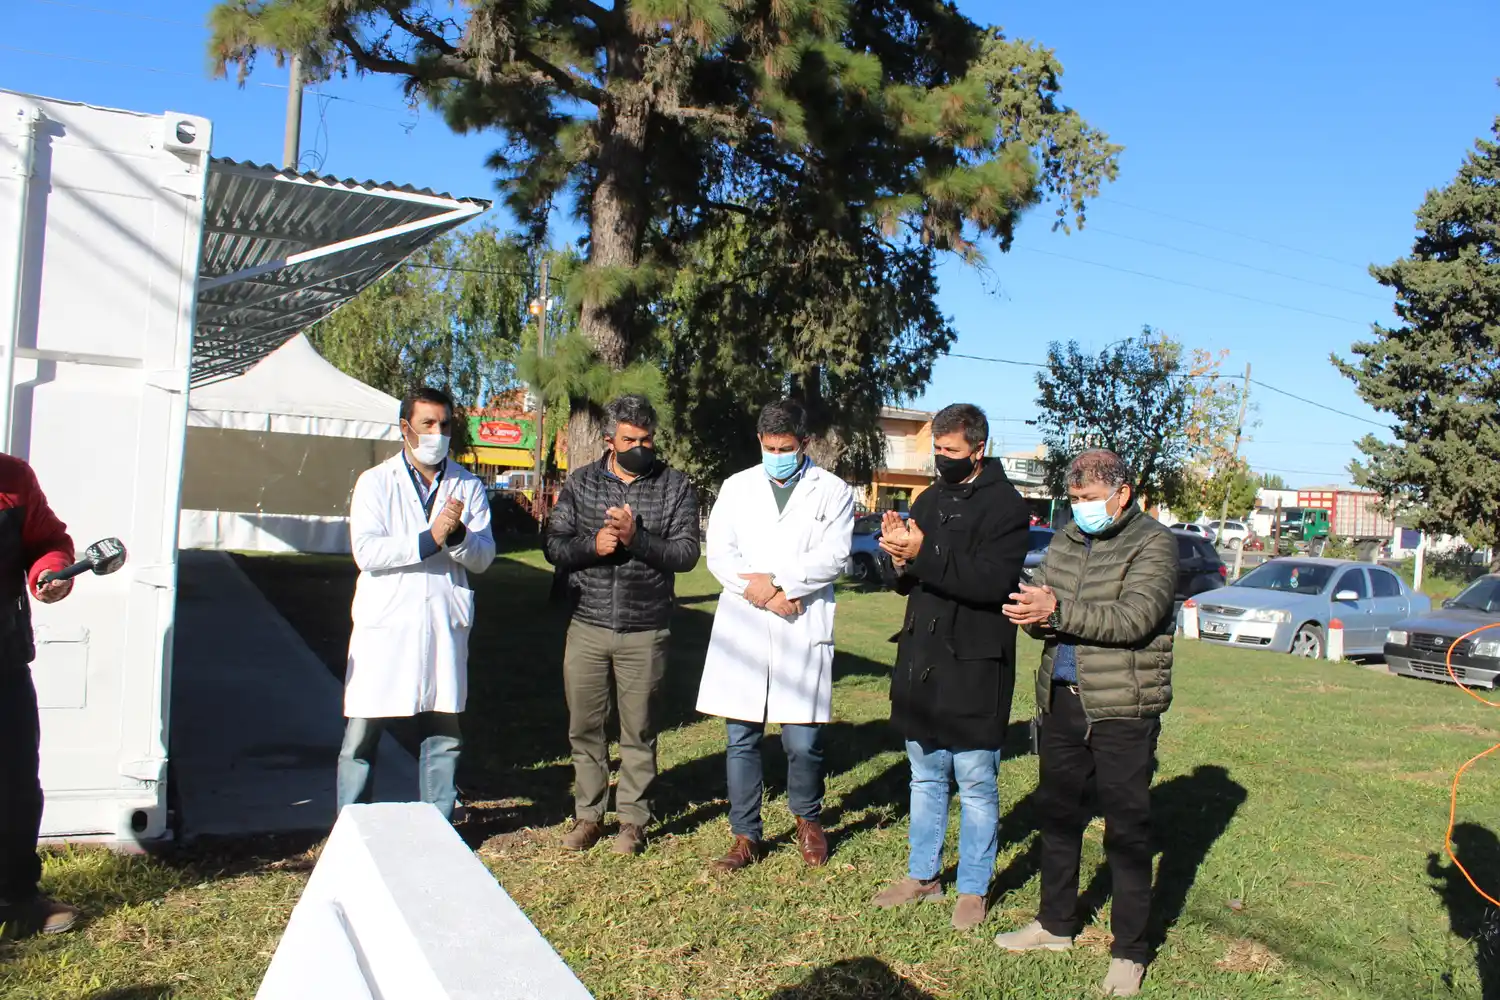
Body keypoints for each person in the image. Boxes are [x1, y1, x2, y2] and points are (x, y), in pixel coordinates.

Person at [995, 449, 1178, 998]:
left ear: (1122, 494)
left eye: (1090, 498)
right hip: (1061, 700)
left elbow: (1135, 618)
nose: (1080, 508)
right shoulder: (1066, 539)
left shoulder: (1153, 542)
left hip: (1122, 707)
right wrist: (1031, 614)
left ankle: (1130, 951)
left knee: (1126, 830)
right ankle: (1055, 924)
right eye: (1074, 499)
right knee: (1058, 816)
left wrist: (1056, 611)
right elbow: (1046, 606)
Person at [869, 404, 1030, 931]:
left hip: (976, 662)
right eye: (937, 449)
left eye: (952, 451)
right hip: (923, 657)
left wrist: (924, 551)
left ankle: (973, 887)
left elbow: (992, 582)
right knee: (925, 775)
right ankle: (923, 874)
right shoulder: (930, 498)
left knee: (976, 780)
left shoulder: (1007, 507)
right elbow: (907, 580)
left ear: (978, 450)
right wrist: (898, 558)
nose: (942, 459)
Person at [696, 399, 854, 872]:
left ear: (805, 443)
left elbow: (834, 556)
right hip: (747, 621)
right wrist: (764, 595)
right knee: (741, 736)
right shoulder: (737, 487)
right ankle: (745, 834)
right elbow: (719, 554)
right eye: (770, 448)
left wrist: (781, 582)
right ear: (760, 442)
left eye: (786, 448)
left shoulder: (833, 491)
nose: (777, 456)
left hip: (800, 621)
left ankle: (808, 818)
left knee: (802, 741)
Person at [544, 395, 699, 855]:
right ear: (609, 439)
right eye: (630, 440)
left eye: (646, 439)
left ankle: (632, 820)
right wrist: (592, 545)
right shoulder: (582, 482)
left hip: (645, 627)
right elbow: (554, 544)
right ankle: (588, 815)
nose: (640, 447)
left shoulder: (675, 486)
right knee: (585, 728)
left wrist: (638, 539)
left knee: (639, 731)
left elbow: (686, 553)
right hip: (587, 623)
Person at [339, 387, 495, 822]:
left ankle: (438, 821)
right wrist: (430, 539)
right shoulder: (375, 482)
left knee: (443, 732)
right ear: (405, 428)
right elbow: (367, 552)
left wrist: (458, 536)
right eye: (427, 424)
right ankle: (352, 822)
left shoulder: (467, 485)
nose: (437, 433)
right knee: (362, 732)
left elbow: (483, 557)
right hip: (387, 623)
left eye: (444, 425)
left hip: (442, 619)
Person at [0, 454, 81, 938]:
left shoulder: (12, 478)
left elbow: (49, 542)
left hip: (3, 659)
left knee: (14, 786)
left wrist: (50, 573)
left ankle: (16, 898)